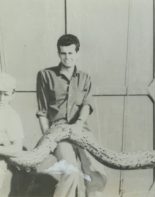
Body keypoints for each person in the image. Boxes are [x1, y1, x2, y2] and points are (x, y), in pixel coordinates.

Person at [36, 34, 106, 197]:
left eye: (71, 53)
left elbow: (87, 105)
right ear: (58, 54)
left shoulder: (85, 77)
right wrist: (49, 138)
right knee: (71, 173)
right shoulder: (45, 75)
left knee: (96, 172)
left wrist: (79, 125)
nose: (67, 57)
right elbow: (42, 111)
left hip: (81, 129)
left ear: (77, 53)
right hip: (58, 132)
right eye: (63, 53)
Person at [0, 72, 24, 196]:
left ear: (12, 95)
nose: (1, 98)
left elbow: (17, 149)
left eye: (5, 94)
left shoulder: (12, 116)